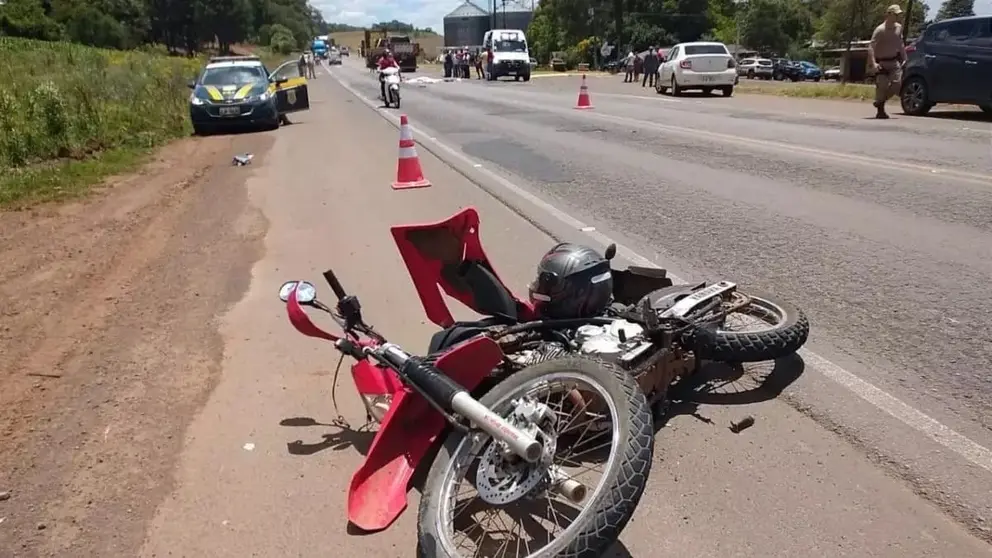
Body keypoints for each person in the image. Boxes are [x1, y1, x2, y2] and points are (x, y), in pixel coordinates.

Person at [868, 4, 907, 119]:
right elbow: (871, 47)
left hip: (894, 61)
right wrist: (873, 63)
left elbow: (900, 43)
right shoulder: (880, 30)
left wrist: (904, 57)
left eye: (899, 14)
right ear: (889, 14)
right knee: (882, 86)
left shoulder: (899, 27)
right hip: (881, 63)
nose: (898, 17)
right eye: (896, 14)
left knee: (897, 85)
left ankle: (880, 101)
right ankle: (880, 111)